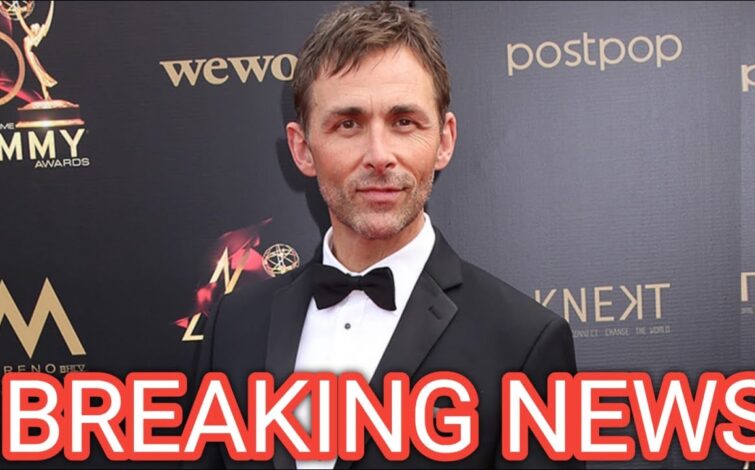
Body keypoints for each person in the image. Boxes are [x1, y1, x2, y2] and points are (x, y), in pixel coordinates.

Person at [194, 2, 580, 468]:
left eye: (403, 122)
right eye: (348, 124)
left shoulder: (525, 342)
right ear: (302, 148)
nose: (379, 155)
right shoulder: (234, 326)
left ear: (444, 140)